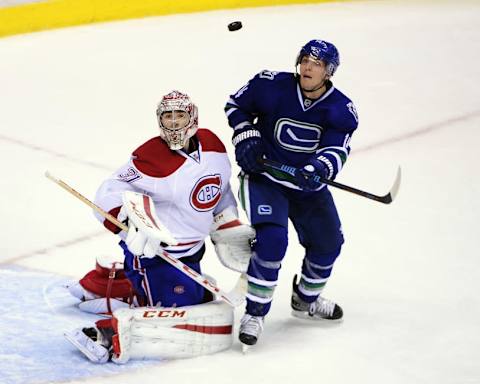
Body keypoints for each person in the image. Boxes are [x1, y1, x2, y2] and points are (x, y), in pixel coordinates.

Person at [65, 90, 254, 363]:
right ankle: (104, 332)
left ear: (193, 117)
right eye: (168, 116)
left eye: (180, 115)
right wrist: (132, 224)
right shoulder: (150, 157)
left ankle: (106, 283)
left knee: (200, 298)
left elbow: (219, 190)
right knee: (181, 310)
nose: (175, 122)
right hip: (154, 255)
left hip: (191, 252)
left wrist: (227, 226)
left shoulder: (212, 145)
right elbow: (108, 191)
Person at [225, 39, 359, 347]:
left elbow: (337, 148)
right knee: (272, 241)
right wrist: (246, 135)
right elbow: (235, 106)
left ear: (329, 71)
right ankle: (255, 314)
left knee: (328, 243)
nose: (308, 67)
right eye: (305, 60)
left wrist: (320, 168)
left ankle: (306, 300)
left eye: (317, 63)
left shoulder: (341, 108)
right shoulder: (271, 85)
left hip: (307, 188)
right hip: (265, 179)